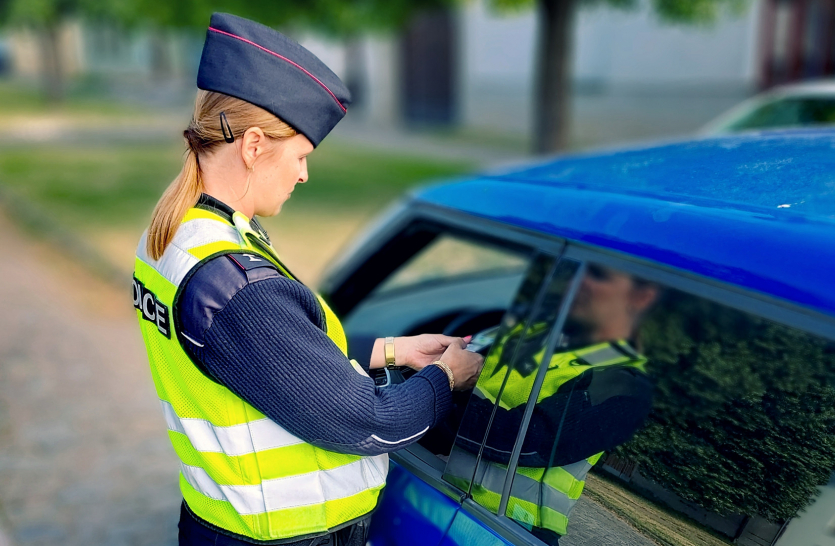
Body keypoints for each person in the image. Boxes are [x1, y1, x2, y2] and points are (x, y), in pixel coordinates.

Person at [132, 13, 483, 546]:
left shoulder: (180, 234)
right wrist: (447, 377)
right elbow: (369, 423)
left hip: (225, 520)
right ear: (253, 146)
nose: (303, 173)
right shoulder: (234, 283)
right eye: (300, 155)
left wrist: (392, 351)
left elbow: (260, 358)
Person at [442, 265, 657, 545]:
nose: (577, 281)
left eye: (599, 275)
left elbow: (527, 440)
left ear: (641, 297)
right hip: (435, 486)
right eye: (575, 270)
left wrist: (433, 392)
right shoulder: (525, 333)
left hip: (508, 529)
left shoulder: (627, 384)